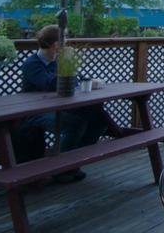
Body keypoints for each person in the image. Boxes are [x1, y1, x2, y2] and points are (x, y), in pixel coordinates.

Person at [19, 25, 108, 182]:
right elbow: (51, 84)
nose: (67, 44)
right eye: (64, 41)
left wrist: (86, 80)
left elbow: (75, 78)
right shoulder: (32, 64)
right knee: (75, 124)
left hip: (59, 107)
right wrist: (68, 64)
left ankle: (74, 163)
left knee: (98, 120)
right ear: (56, 45)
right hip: (34, 112)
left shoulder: (56, 62)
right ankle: (60, 169)